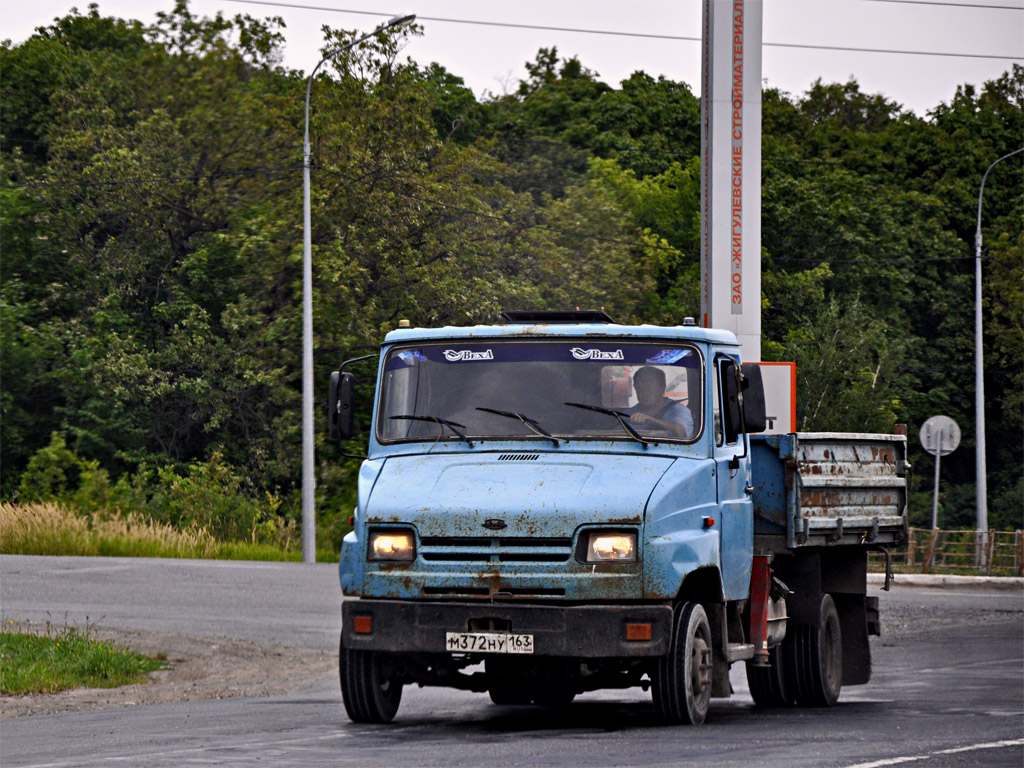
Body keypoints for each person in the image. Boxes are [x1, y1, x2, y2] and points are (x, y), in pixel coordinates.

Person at [627, 366, 692, 439]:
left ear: (662, 387)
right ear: (635, 388)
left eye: (650, 386)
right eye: (640, 386)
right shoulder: (629, 413)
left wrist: (650, 420)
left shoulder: (678, 410)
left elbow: (680, 431)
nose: (644, 391)